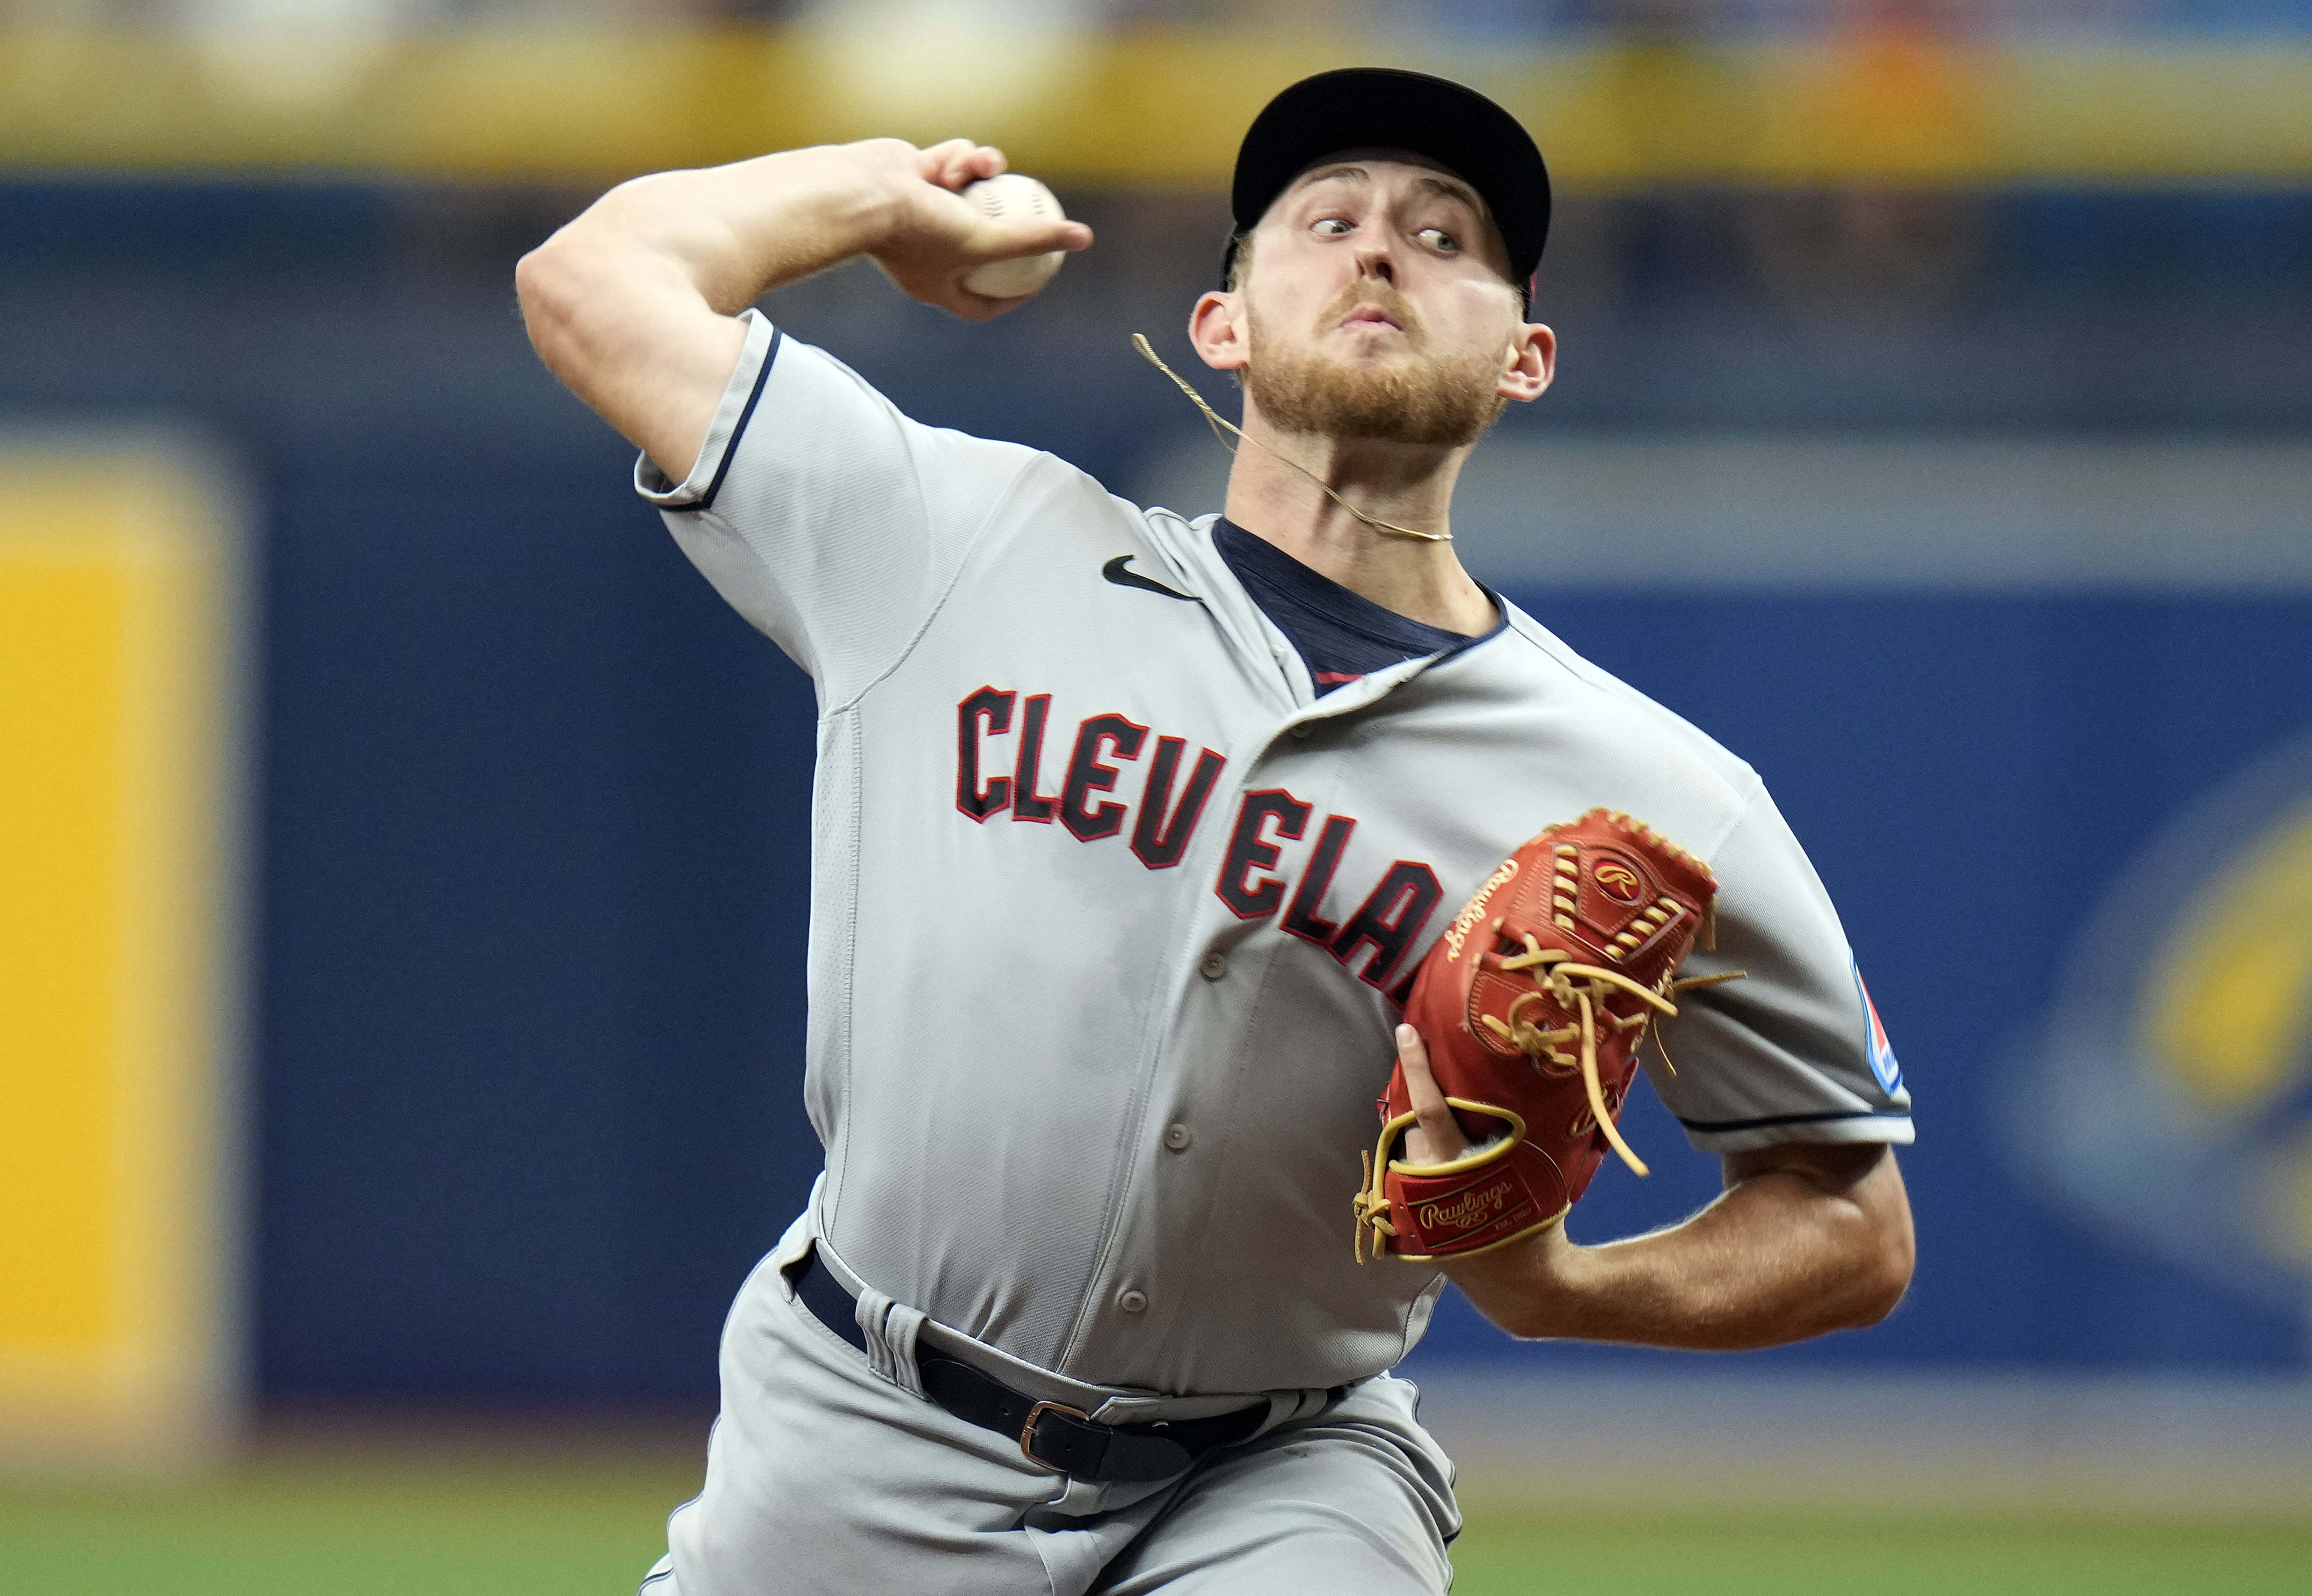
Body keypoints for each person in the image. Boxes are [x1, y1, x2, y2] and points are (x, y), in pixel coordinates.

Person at [518, 66, 1915, 1596]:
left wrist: (1570, 1287)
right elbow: (591, 281)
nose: (1383, 247)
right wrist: (876, 200)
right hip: (860, 1427)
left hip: (1279, 1476)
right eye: (1327, 219)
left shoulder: (1655, 794)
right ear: (1221, 322)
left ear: (1525, 359)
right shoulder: (956, 543)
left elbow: (1849, 1215)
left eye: (1447, 236)